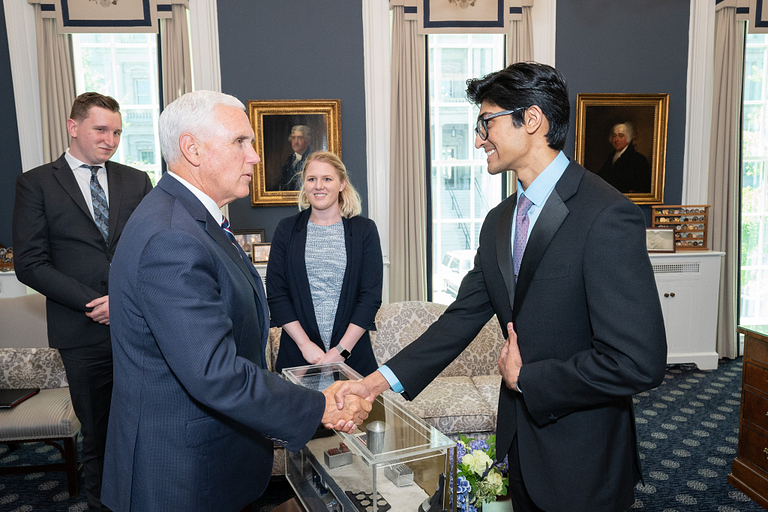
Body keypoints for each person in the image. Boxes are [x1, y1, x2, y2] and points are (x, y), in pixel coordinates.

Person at [333, 62, 667, 512]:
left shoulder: (607, 215)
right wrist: (373, 385)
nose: (477, 139)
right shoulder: (498, 221)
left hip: (582, 460)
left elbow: (638, 362)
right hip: (520, 449)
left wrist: (527, 378)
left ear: (531, 120)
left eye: (486, 123)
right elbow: (460, 319)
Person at [100, 91, 371, 511]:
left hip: (208, 455)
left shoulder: (191, 219)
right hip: (179, 470)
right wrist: (318, 404)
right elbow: (214, 372)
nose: (255, 157)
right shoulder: (172, 235)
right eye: (240, 142)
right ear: (192, 149)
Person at [12, 92, 153, 511]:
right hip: (82, 330)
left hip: (139, 328)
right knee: (98, 432)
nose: (111, 140)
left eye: (118, 132)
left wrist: (125, 302)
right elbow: (31, 264)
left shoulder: (136, 180)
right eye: (101, 130)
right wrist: (96, 303)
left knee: (146, 425)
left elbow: (151, 251)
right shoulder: (35, 182)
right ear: (73, 127)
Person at [267, 150, 383, 376]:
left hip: (353, 358)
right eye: (312, 179)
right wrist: (304, 345)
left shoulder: (364, 231)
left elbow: (370, 297)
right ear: (305, 184)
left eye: (327, 179)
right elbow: (277, 294)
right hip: (298, 357)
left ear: (341, 184)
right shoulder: (286, 230)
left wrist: (341, 351)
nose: (318, 185)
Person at [597, 121, 652, 193]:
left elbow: (642, 187)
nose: (616, 139)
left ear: (628, 138)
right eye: (614, 135)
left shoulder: (638, 159)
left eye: (621, 136)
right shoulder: (611, 157)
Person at [278, 125, 312, 190]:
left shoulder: (312, 160)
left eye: (300, 138)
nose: (296, 142)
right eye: (293, 138)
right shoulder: (289, 161)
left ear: (308, 141)